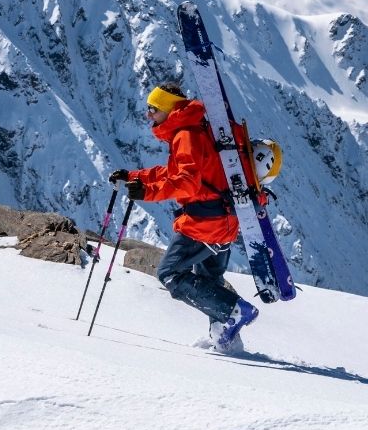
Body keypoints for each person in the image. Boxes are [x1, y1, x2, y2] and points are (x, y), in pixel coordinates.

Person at [110, 82, 258, 350]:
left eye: (153, 109)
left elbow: (186, 182)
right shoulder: (198, 128)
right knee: (208, 282)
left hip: (203, 225)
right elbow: (172, 172)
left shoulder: (185, 135)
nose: (148, 115)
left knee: (170, 274)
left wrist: (147, 193)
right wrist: (134, 177)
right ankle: (225, 340)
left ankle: (236, 310)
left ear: (168, 108)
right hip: (224, 220)